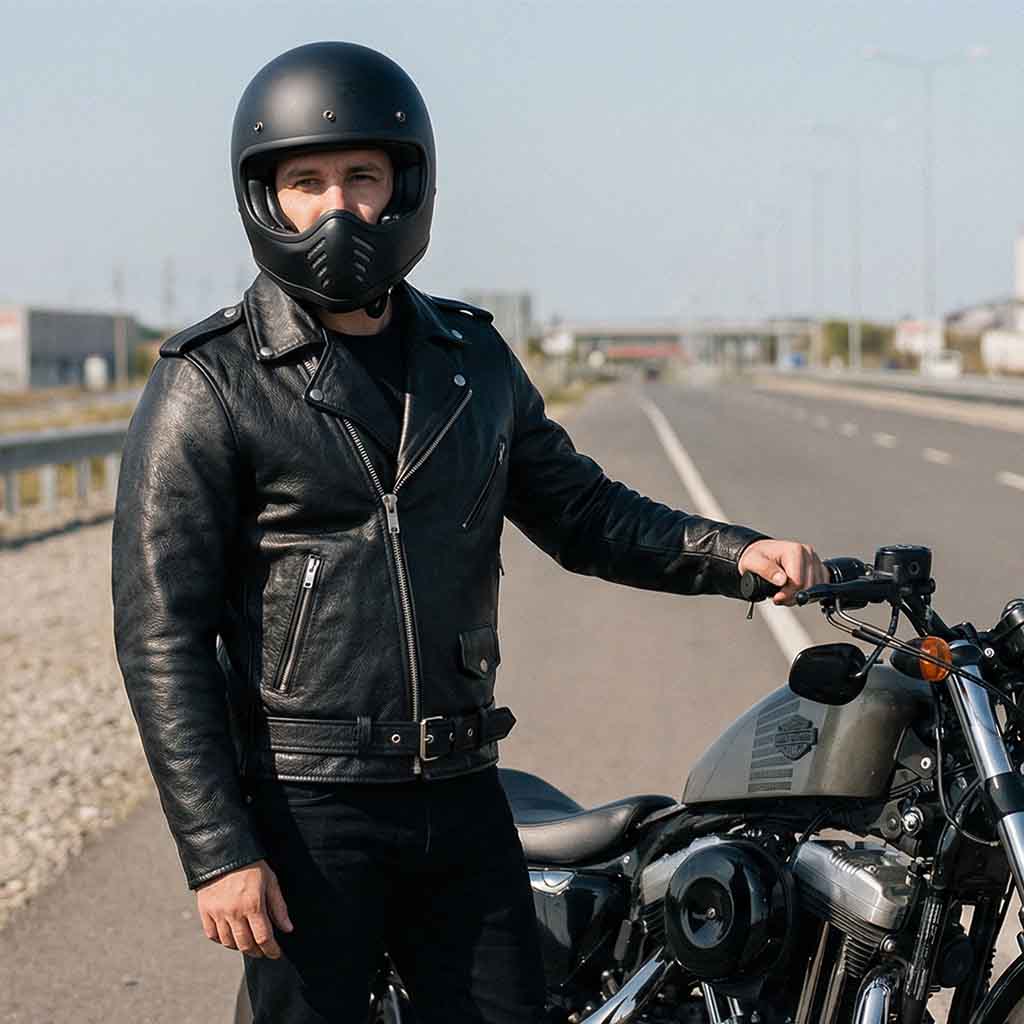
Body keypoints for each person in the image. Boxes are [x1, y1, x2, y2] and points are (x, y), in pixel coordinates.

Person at [111, 41, 827, 1024]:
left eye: (360, 177)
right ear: (265, 199)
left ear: (404, 185)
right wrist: (218, 848)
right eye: (306, 182)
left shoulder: (471, 360)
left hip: (460, 793)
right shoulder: (210, 382)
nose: (336, 208)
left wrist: (732, 555)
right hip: (308, 805)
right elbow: (162, 636)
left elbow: (582, 512)